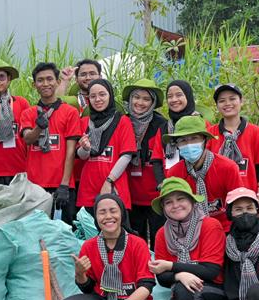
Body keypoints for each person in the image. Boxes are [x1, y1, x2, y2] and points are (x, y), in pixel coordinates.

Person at [57, 193, 154, 300]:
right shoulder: (89, 246)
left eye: (113, 211)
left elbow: (146, 286)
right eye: (102, 212)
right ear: (96, 217)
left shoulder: (137, 243)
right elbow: (87, 288)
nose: (108, 216)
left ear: (122, 214)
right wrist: (80, 273)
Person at [149, 178, 227, 300]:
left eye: (180, 199)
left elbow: (210, 271)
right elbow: (162, 279)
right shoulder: (162, 233)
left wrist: (172, 267)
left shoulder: (209, 225)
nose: (175, 205)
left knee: (184, 288)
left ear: (192, 201)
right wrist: (179, 274)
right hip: (185, 294)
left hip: (217, 292)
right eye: (168, 202)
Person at [19, 62, 81, 224]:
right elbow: (28, 139)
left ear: (58, 82)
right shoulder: (28, 113)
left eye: (49, 79)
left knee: (63, 234)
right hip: (34, 185)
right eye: (40, 80)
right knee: (35, 232)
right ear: (34, 85)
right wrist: (39, 127)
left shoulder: (70, 112)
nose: (45, 84)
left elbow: (70, 151)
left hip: (61, 184)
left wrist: (65, 185)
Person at [164, 115, 242, 228]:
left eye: (194, 138)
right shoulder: (174, 173)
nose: (189, 144)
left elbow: (238, 204)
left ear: (205, 140)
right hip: (190, 230)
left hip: (225, 228)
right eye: (183, 140)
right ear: (177, 145)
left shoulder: (227, 167)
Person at [75, 78, 137, 214]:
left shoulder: (122, 121)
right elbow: (81, 156)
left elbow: (126, 155)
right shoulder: (84, 122)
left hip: (114, 187)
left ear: (110, 95)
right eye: (93, 96)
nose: (97, 99)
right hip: (88, 189)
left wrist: (109, 180)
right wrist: (85, 148)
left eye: (102, 94)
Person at [122, 79, 168, 247]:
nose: (140, 103)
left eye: (146, 99)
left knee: (159, 241)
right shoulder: (122, 122)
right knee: (135, 243)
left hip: (157, 196)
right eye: (136, 97)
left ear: (153, 103)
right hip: (130, 195)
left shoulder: (162, 125)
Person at [207, 83, 259, 199]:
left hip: (247, 199)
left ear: (241, 101)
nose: (227, 104)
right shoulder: (210, 134)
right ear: (217, 105)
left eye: (232, 99)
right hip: (218, 199)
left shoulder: (256, 133)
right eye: (222, 101)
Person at [161, 79, 217, 170]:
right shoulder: (164, 127)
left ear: (188, 96)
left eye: (179, 95)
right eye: (170, 96)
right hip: (170, 179)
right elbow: (157, 159)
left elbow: (211, 153)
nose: (174, 99)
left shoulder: (201, 123)